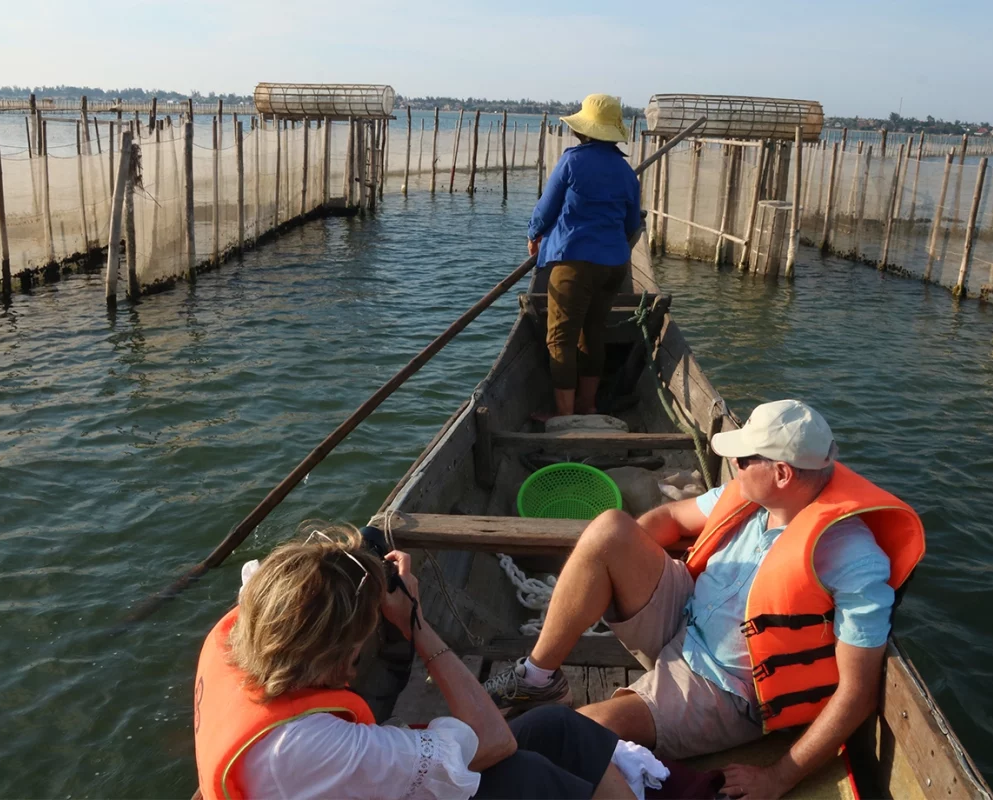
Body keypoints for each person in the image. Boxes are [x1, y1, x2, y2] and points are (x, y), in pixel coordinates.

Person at [484, 400, 926, 799]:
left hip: (722, 685)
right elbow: (671, 516)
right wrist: (606, 571)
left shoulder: (854, 559)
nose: (731, 463)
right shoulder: (756, 497)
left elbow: (857, 691)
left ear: (782, 473)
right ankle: (538, 678)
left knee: (583, 732)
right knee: (609, 529)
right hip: (686, 616)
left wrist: (778, 776)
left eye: (743, 458)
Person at [193, 522, 639, 799]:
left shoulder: (240, 636)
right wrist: (417, 626)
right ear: (342, 659)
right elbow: (493, 742)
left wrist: (362, 567)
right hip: (318, 773)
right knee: (524, 776)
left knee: (554, 727)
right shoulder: (314, 747)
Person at [527, 93, 642, 418]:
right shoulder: (625, 171)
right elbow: (632, 223)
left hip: (575, 263)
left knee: (560, 338)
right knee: (593, 333)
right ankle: (588, 405)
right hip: (614, 266)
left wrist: (533, 233)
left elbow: (546, 208)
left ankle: (565, 415)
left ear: (584, 130)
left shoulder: (572, 161)